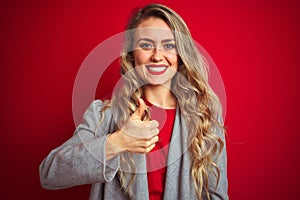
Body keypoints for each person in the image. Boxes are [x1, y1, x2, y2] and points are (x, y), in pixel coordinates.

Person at [39, 3, 228, 200]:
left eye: (169, 45)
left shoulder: (204, 114)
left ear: (181, 54)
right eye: (146, 45)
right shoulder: (104, 114)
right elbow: (49, 173)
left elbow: (216, 194)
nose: (157, 56)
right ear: (132, 54)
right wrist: (118, 142)